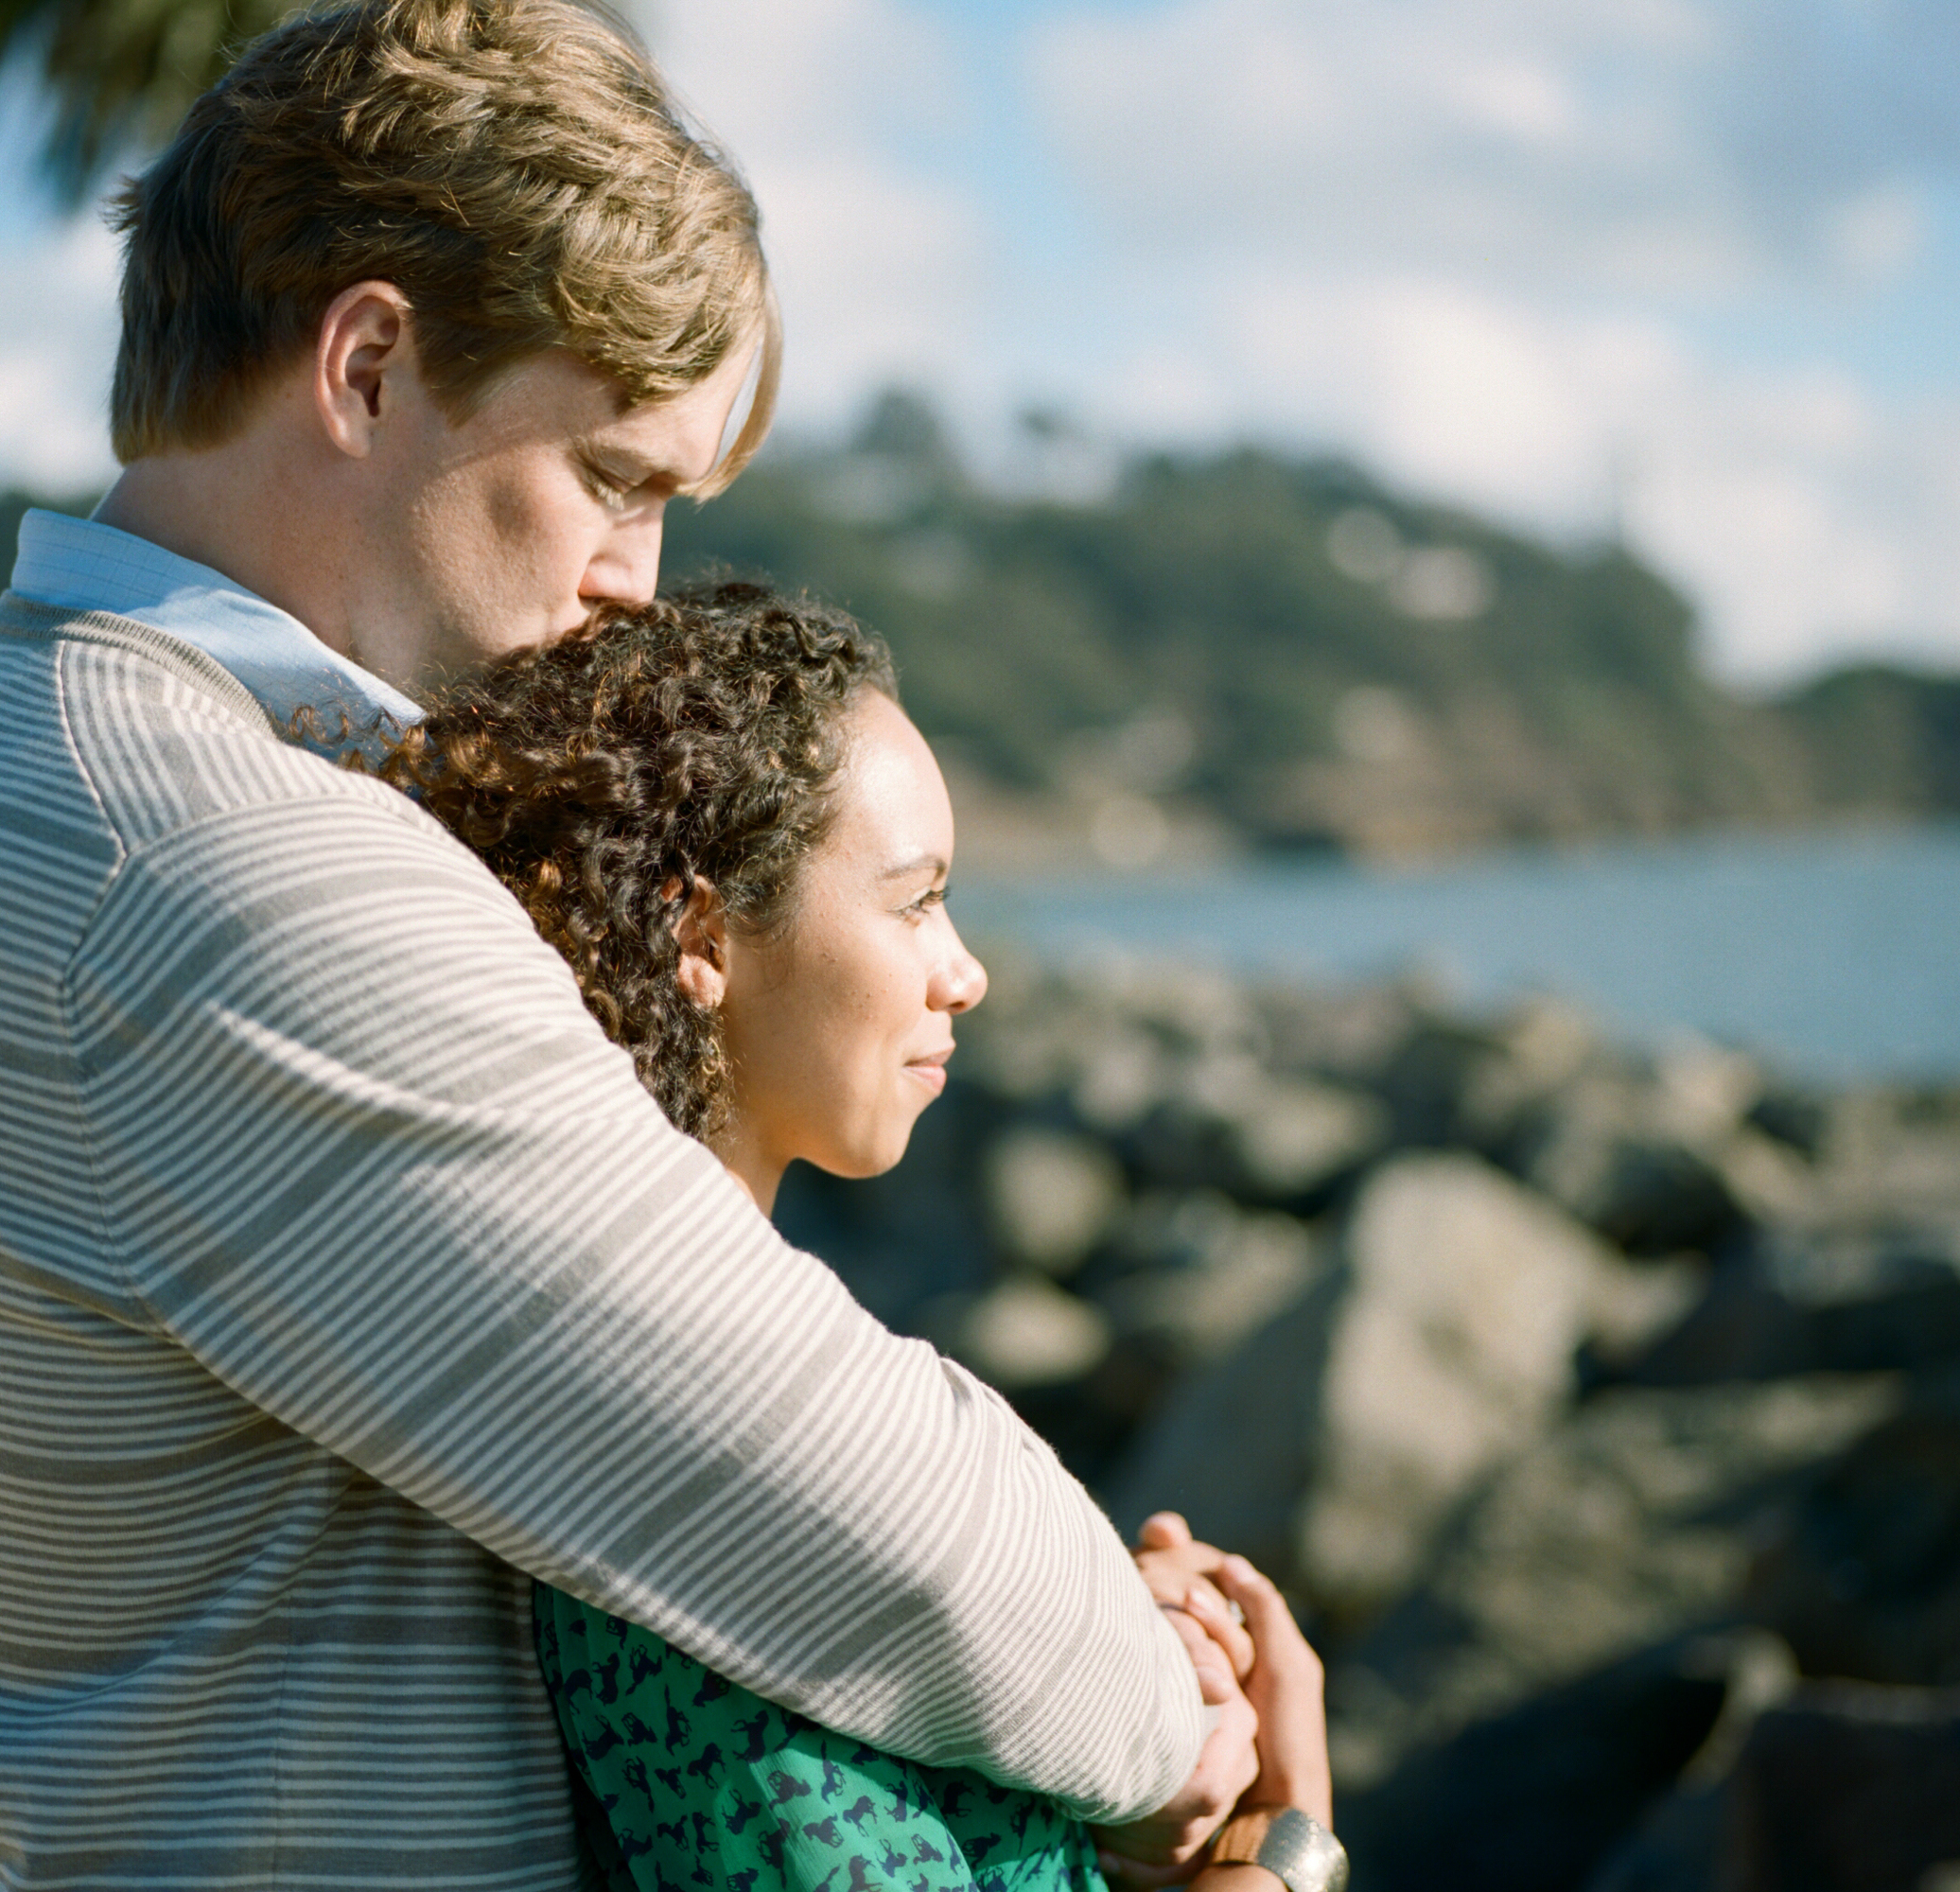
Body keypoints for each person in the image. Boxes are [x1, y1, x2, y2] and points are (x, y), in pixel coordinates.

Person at [0, 3, 1273, 1887]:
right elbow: (817, 1480)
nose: (636, 584)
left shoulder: (48, 739)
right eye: (615, 477)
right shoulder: (211, 862)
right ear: (364, 368)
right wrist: (1185, 1726)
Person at [374, 583, 1338, 1892]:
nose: (967, 971)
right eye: (914, 902)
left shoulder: (755, 1418)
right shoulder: (713, 1483)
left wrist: (1095, 1656)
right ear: (700, 933)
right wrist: (1287, 1847)